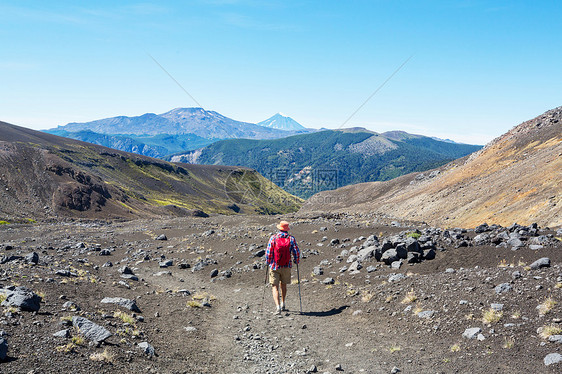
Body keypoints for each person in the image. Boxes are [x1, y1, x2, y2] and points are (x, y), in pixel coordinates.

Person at [266, 220, 300, 314]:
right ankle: (283, 303)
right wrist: (296, 261)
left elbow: (268, 252)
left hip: (274, 266)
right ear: (287, 229)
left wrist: (268, 262)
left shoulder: (273, 238)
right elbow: (296, 252)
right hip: (286, 265)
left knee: (274, 286)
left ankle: (277, 307)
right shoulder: (291, 239)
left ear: (279, 228)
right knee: (283, 285)